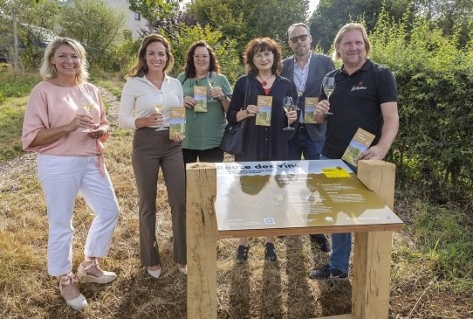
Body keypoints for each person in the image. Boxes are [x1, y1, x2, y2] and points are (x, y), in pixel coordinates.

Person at [21, 37, 120, 310]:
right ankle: (65, 277)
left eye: (75, 56)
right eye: (63, 56)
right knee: (62, 221)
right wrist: (67, 126)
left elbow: (102, 123)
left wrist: (101, 130)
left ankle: (90, 264)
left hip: (91, 159)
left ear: (81, 60)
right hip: (58, 163)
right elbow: (32, 137)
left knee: (109, 210)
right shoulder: (42, 91)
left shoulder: (90, 89)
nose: (69, 61)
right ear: (52, 59)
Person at [310, 23, 399, 280]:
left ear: (365, 45)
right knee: (338, 214)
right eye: (347, 43)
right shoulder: (331, 79)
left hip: (364, 159)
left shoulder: (380, 75)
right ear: (338, 48)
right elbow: (320, 119)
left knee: (366, 216)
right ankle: (338, 267)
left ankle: (370, 270)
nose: (353, 47)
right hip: (332, 156)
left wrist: (381, 148)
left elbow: (391, 118)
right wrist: (318, 114)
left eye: (358, 42)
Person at [119, 34, 187, 278]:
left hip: (172, 144)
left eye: (161, 53)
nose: (157, 58)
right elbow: (122, 119)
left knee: (179, 200)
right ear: (144, 57)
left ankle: (182, 255)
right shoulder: (134, 84)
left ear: (167, 57)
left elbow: (179, 112)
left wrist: (180, 130)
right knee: (147, 203)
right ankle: (150, 258)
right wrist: (142, 121)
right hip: (145, 142)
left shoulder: (174, 84)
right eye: (152, 53)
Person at [226, 37, 298, 263]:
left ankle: (269, 242)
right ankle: (243, 243)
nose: (263, 58)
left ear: (275, 56)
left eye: (267, 53)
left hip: (277, 146)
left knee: (274, 194)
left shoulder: (286, 84)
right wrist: (245, 112)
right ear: (252, 59)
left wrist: (293, 117)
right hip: (250, 147)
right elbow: (231, 117)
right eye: (258, 54)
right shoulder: (243, 83)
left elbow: (293, 117)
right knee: (246, 194)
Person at [281, 22, 335, 252]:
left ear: (310, 38)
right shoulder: (282, 65)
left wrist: (327, 106)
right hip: (291, 131)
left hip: (316, 130)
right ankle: (286, 221)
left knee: (316, 180)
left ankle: (316, 228)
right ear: (289, 43)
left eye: (303, 37)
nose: (299, 42)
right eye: (294, 39)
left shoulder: (325, 62)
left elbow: (335, 91)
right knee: (288, 177)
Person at [177, 40, 232, 164]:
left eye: (204, 56)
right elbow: (171, 105)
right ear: (192, 58)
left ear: (210, 58)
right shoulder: (182, 78)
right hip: (186, 140)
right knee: (186, 181)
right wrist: (181, 102)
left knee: (209, 182)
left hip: (212, 140)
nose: (200, 59)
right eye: (197, 56)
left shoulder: (220, 79)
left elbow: (231, 111)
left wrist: (223, 97)